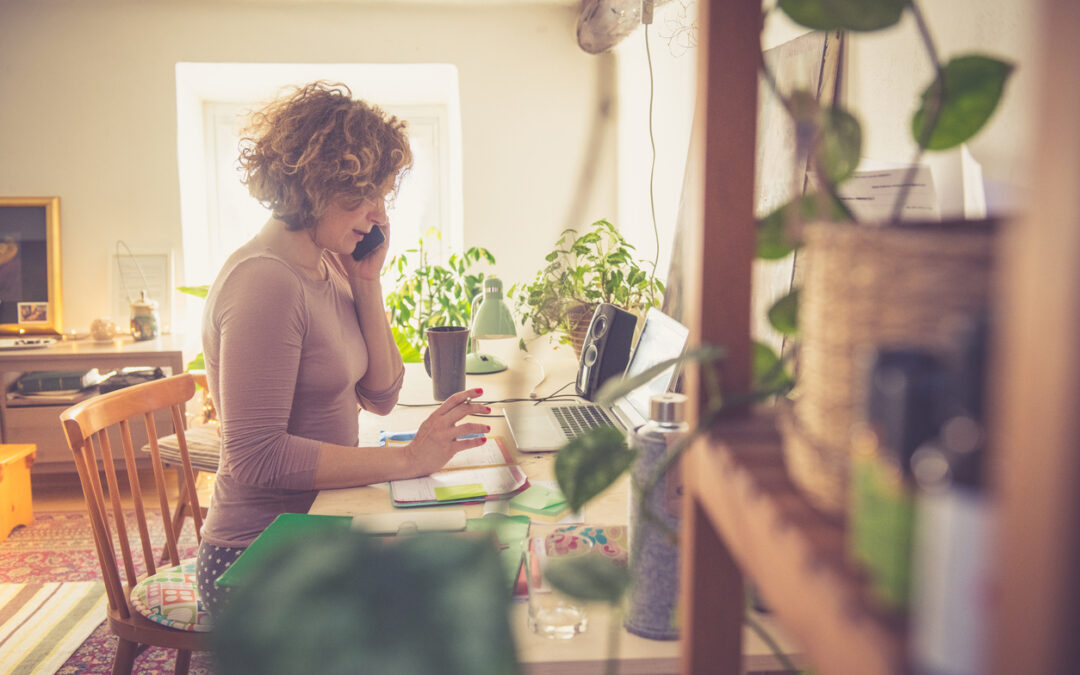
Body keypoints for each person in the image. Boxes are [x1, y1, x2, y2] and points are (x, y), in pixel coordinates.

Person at [194, 81, 489, 614]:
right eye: (366, 194)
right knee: (454, 610)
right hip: (258, 558)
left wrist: (368, 283)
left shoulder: (329, 263)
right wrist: (407, 459)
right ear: (315, 185)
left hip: (320, 529)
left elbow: (380, 395)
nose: (379, 214)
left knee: (476, 561)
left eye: (383, 195)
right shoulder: (266, 282)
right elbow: (255, 455)